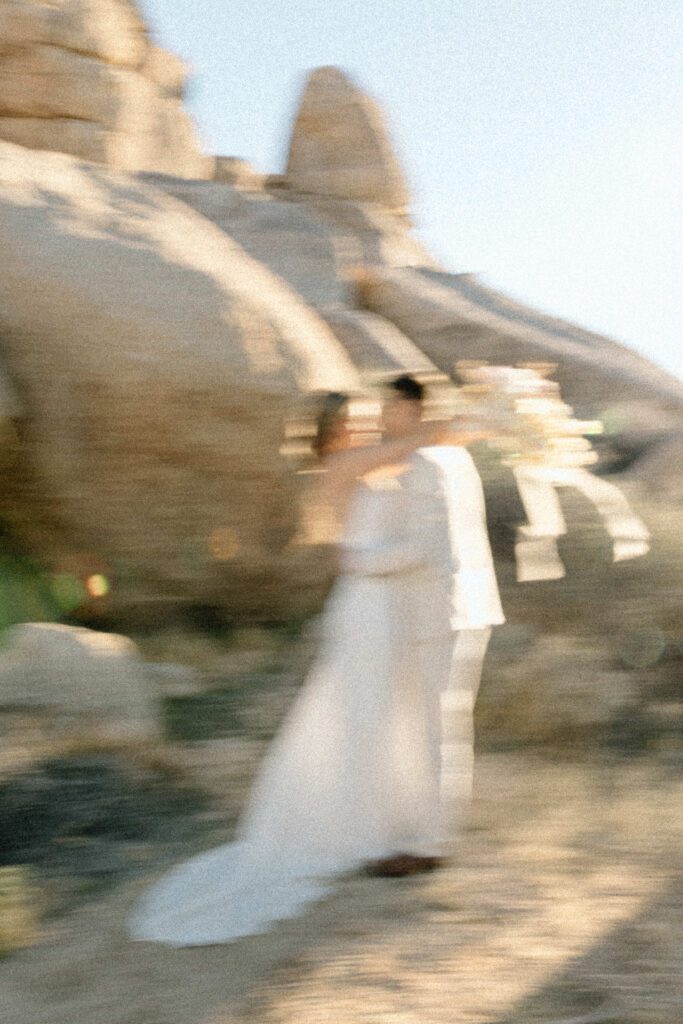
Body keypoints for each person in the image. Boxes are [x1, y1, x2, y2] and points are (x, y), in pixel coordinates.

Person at [128, 391, 479, 946]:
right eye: (354, 422)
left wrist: (466, 430)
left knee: (384, 716)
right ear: (330, 435)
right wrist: (465, 422)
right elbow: (414, 446)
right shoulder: (341, 466)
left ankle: (393, 823)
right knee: (363, 717)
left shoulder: (370, 463)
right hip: (367, 608)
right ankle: (355, 831)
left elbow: (416, 460)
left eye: (367, 420)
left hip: (388, 606)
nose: (366, 428)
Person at [363, 375, 505, 876]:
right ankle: (434, 833)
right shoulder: (456, 457)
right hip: (468, 605)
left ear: (409, 406)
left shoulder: (425, 461)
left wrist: (360, 562)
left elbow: (421, 548)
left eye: (386, 405)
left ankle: (429, 846)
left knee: (436, 729)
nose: (382, 415)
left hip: (440, 612)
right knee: (445, 725)